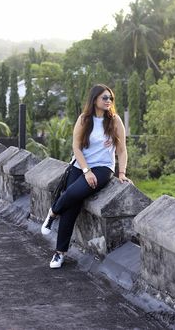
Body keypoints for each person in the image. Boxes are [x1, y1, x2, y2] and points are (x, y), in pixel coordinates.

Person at [41, 83, 133, 268]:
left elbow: (122, 150)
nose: (109, 101)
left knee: (74, 193)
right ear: (95, 99)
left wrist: (121, 173)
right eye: (104, 98)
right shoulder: (84, 119)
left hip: (103, 167)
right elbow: (76, 147)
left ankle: (53, 211)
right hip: (81, 165)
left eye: (111, 98)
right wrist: (86, 170)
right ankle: (59, 253)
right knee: (72, 204)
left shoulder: (114, 121)